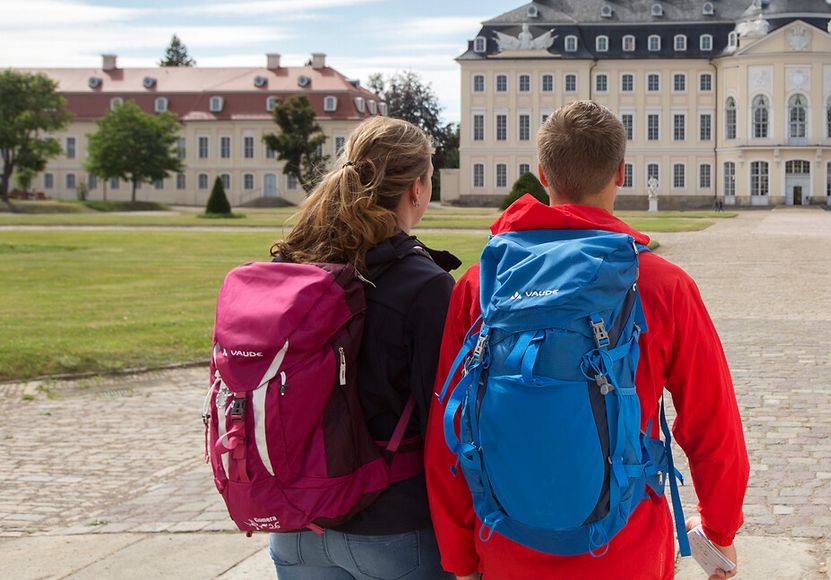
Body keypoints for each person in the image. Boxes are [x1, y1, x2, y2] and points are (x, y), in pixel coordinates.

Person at [427, 100, 749, 580]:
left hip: (507, 543)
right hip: (625, 546)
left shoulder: (482, 284)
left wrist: (459, 558)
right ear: (621, 172)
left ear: (541, 173)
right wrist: (720, 533)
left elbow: (448, 431)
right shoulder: (662, 284)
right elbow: (712, 423)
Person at [267, 116, 460, 580]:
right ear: (417, 188)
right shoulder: (425, 285)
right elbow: (447, 427)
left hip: (296, 524)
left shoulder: (295, 266)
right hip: (390, 526)